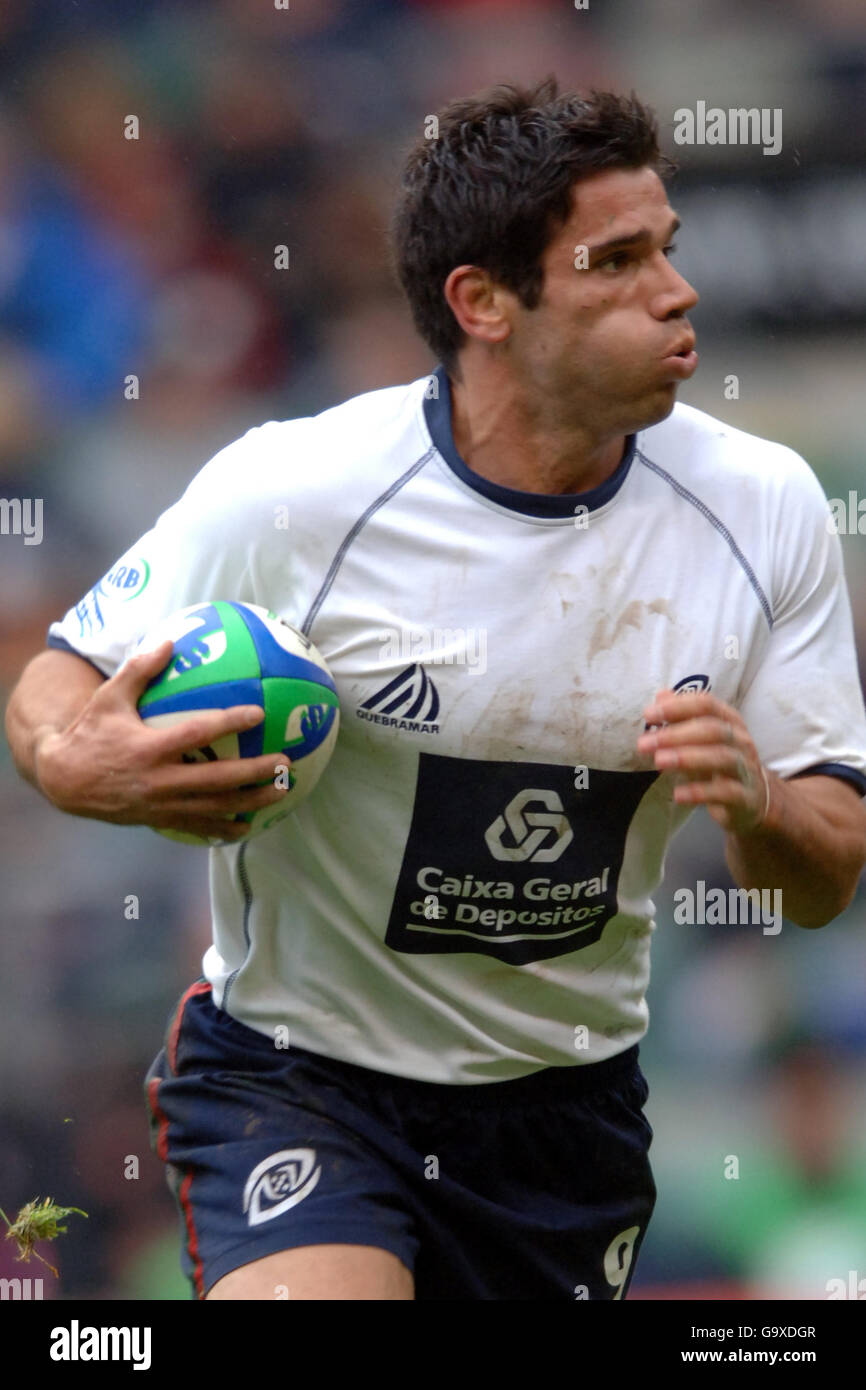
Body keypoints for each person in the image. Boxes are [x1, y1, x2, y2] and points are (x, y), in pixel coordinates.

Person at [6, 79, 866, 1302]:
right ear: (483, 303)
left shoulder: (763, 505)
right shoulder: (295, 492)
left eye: (665, 250)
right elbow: (59, 676)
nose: (675, 292)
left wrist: (756, 802)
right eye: (614, 262)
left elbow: (827, 870)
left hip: (563, 1114)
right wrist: (70, 761)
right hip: (301, 1080)